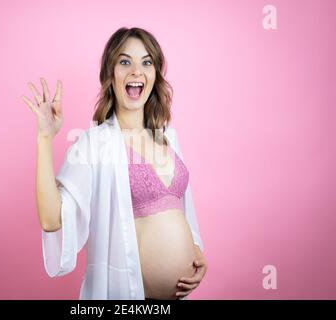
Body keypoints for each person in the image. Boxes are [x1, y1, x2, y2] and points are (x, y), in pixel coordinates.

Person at [22, 27, 207, 300]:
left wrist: (196, 252)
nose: (136, 71)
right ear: (111, 74)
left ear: (155, 75)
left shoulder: (168, 138)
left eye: (146, 62)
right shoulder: (95, 143)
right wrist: (44, 138)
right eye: (124, 62)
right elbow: (52, 220)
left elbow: (183, 211)